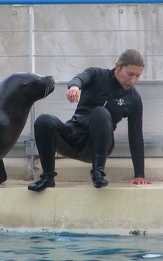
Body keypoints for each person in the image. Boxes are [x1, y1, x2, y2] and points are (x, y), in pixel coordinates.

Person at [28, 49, 151, 192]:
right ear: (118, 66)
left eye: (138, 76)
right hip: (73, 138)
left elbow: (136, 137)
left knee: (100, 113)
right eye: (130, 74)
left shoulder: (133, 99)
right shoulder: (98, 75)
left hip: (97, 147)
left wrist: (139, 175)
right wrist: (74, 87)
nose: (133, 81)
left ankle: (98, 172)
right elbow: (80, 78)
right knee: (44, 121)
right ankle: (48, 177)